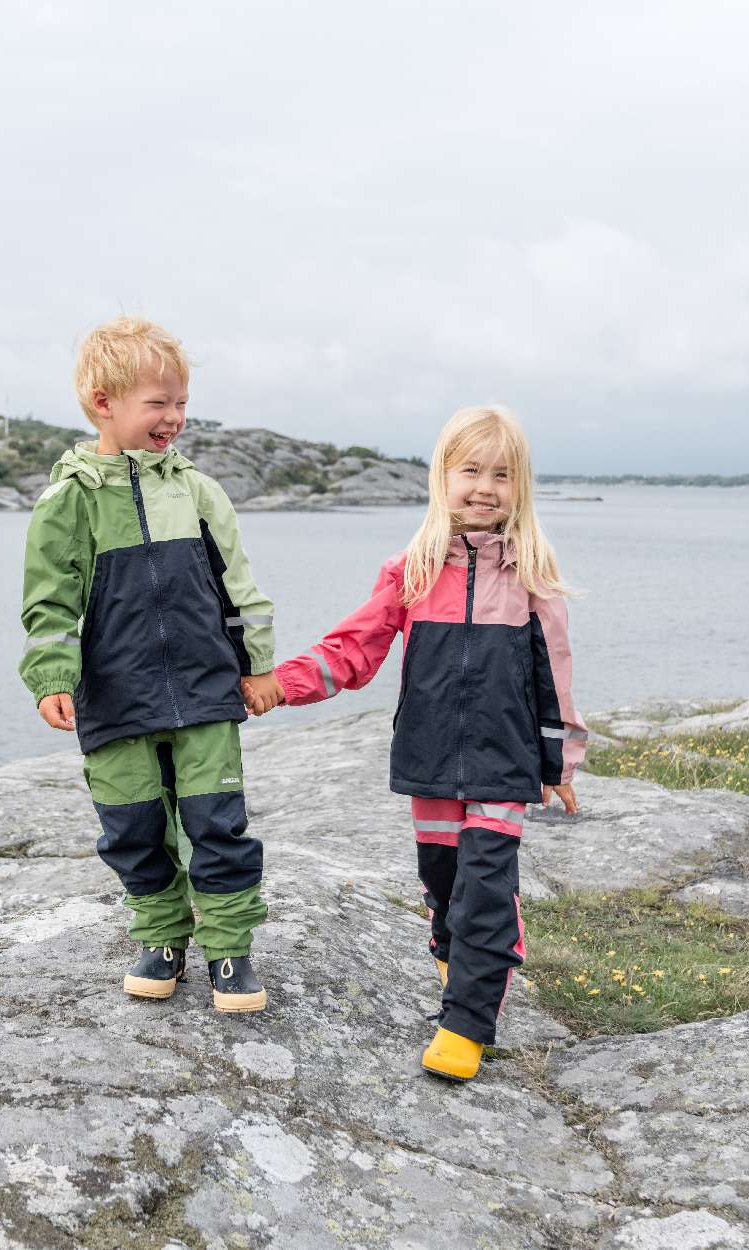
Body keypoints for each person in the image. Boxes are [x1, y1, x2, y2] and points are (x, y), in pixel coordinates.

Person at [247, 406, 586, 1077]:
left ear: (520, 487)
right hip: (430, 758)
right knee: (445, 883)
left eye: (502, 475)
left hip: (504, 760)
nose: (485, 487)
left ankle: (467, 1022)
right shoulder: (412, 570)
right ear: (443, 477)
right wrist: (281, 684)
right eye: (471, 470)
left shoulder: (531, 578)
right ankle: (450, 944)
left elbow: (557, 675)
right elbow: (354, 649)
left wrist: (560, 758)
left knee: (487, 887)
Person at [19, 316, 282, 1012]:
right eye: (158, 403)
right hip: (115, 695)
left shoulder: (198, 492)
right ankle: (162, 935)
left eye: (181, 403)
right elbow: (50, 603)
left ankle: (229, 950)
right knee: (132, 827)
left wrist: (257, 667)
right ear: (104, 403)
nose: (175, 418)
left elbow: (240, 588)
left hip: (204, 690)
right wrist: (51, 677)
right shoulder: (68, 500)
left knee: (216, 824)